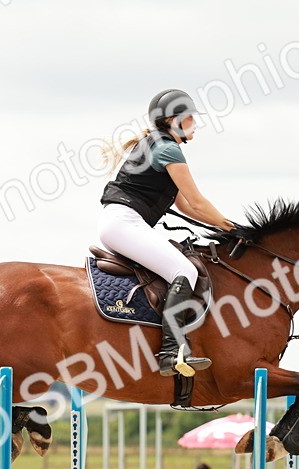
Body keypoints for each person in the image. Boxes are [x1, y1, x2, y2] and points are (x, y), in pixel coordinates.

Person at [98, 89, 237, 378]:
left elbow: (188, 207)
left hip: (120, 221)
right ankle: (170, 353)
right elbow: (198, 203)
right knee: (184, 270)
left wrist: (225, 225)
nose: (194, 124)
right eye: (189, 118)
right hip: (124, 222)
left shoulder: (158, 145)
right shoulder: (168, 149)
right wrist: (233, 228)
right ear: (173, 120)